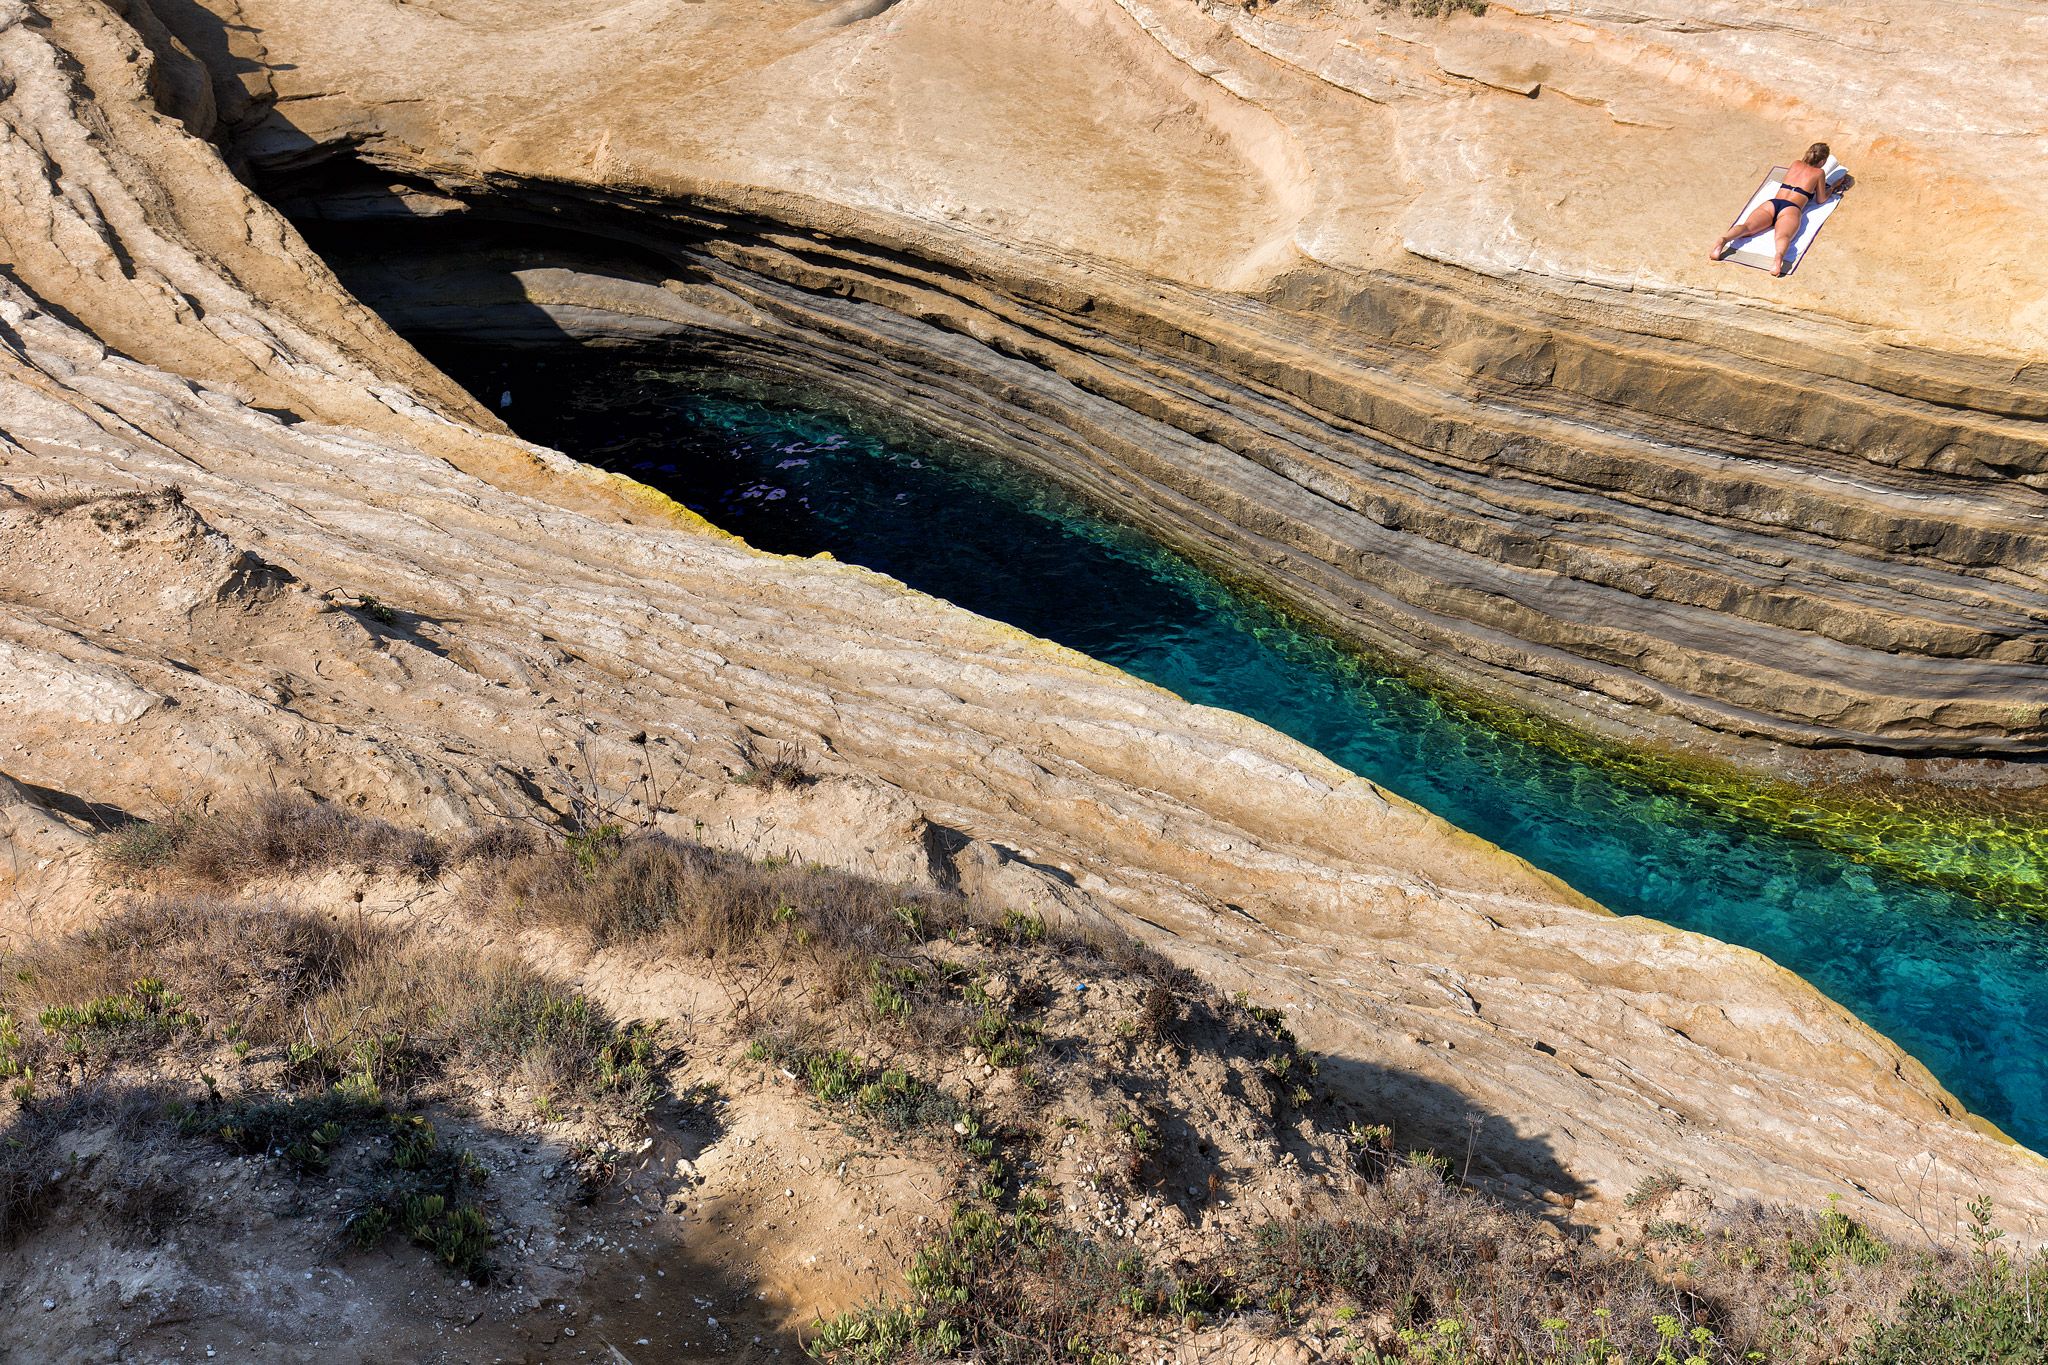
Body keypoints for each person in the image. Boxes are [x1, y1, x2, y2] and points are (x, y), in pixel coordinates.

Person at [1710, 142, 1850, 276]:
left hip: (1772, 204)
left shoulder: (1795, 163)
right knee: (1783, 237)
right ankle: (1778, 258)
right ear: (1823, 161)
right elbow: (1821, 199)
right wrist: (1833, 186)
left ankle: (1724, 239)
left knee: (1747, 227)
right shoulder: (1819, 173)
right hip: (1791, 209)